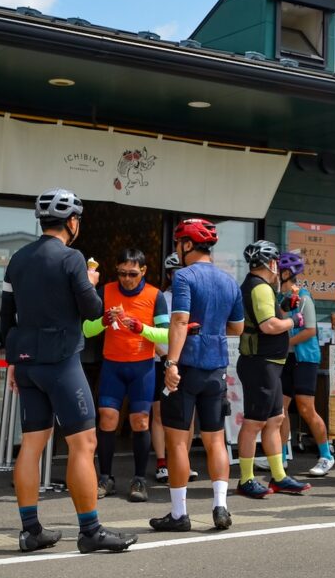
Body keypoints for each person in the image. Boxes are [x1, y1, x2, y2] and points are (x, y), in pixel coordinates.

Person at [0, 188, 135, 554]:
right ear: (72, 222)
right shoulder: (72, 258)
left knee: (31, 444)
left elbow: (5, 316)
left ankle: (30, 531)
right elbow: (92, 311)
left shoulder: (17, 259)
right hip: (61, 362)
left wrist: (12, 361)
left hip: (26, 362)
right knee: (83, 443)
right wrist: (90, 283)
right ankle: (90, 531)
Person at [150, 218, 244, 533]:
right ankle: (220, 506)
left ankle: (179, 514)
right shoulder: (229, 281)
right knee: (216, 439)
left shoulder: (184, 277)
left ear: (187, 245)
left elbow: (179, 321)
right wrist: (213, 327)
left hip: (187, 366)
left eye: (179, 243)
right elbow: (238, 328)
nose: (177, 249)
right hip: (216, 368)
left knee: (178, 443)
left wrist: (171, 363)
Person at [82, 248, 168, 503]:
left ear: (143, 271)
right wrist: (104, 321)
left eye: (132, 274)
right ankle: (106, 478)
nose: (127, 279)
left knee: (140, 422)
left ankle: (139, 479)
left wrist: (142, 328)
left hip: (142, 367)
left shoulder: (155, 295)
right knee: (107, 419)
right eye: (121, 274)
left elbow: (168, 335)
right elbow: (86, 329)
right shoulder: (106, 291)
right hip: (112, 366)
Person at [235, 241, 310, 498]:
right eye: (276, 261)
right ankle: (246, 479)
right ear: (270, 263)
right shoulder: (259, 288)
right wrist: (293, 320)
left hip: (270, 363)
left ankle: (278, 477)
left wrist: (285, 307)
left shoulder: (262, 287)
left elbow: (267, 316)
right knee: (255, 422)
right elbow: (268, 326)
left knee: (275, 419)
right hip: (260, 363)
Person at [276, 252, 334, 476]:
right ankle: (279, 457)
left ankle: (326, 455)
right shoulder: (280, 297)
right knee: (280, 410)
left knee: (306, 409)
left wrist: (285, 342)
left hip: (305, 359)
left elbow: (310, 330)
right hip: (288, 358)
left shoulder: (303, 297)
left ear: (287, 273)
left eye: (277, 269)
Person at [152, 252, 198, 485]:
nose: (179, 275)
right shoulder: (162, 297)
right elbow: (152, 332)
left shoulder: (195, 294)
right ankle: (162, 462)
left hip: (187, 362)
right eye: (175, 271)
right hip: (163, 358)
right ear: (169, 275)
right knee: (160, 412)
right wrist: (165, 357)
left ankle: (182, 463)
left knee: (186, 416)